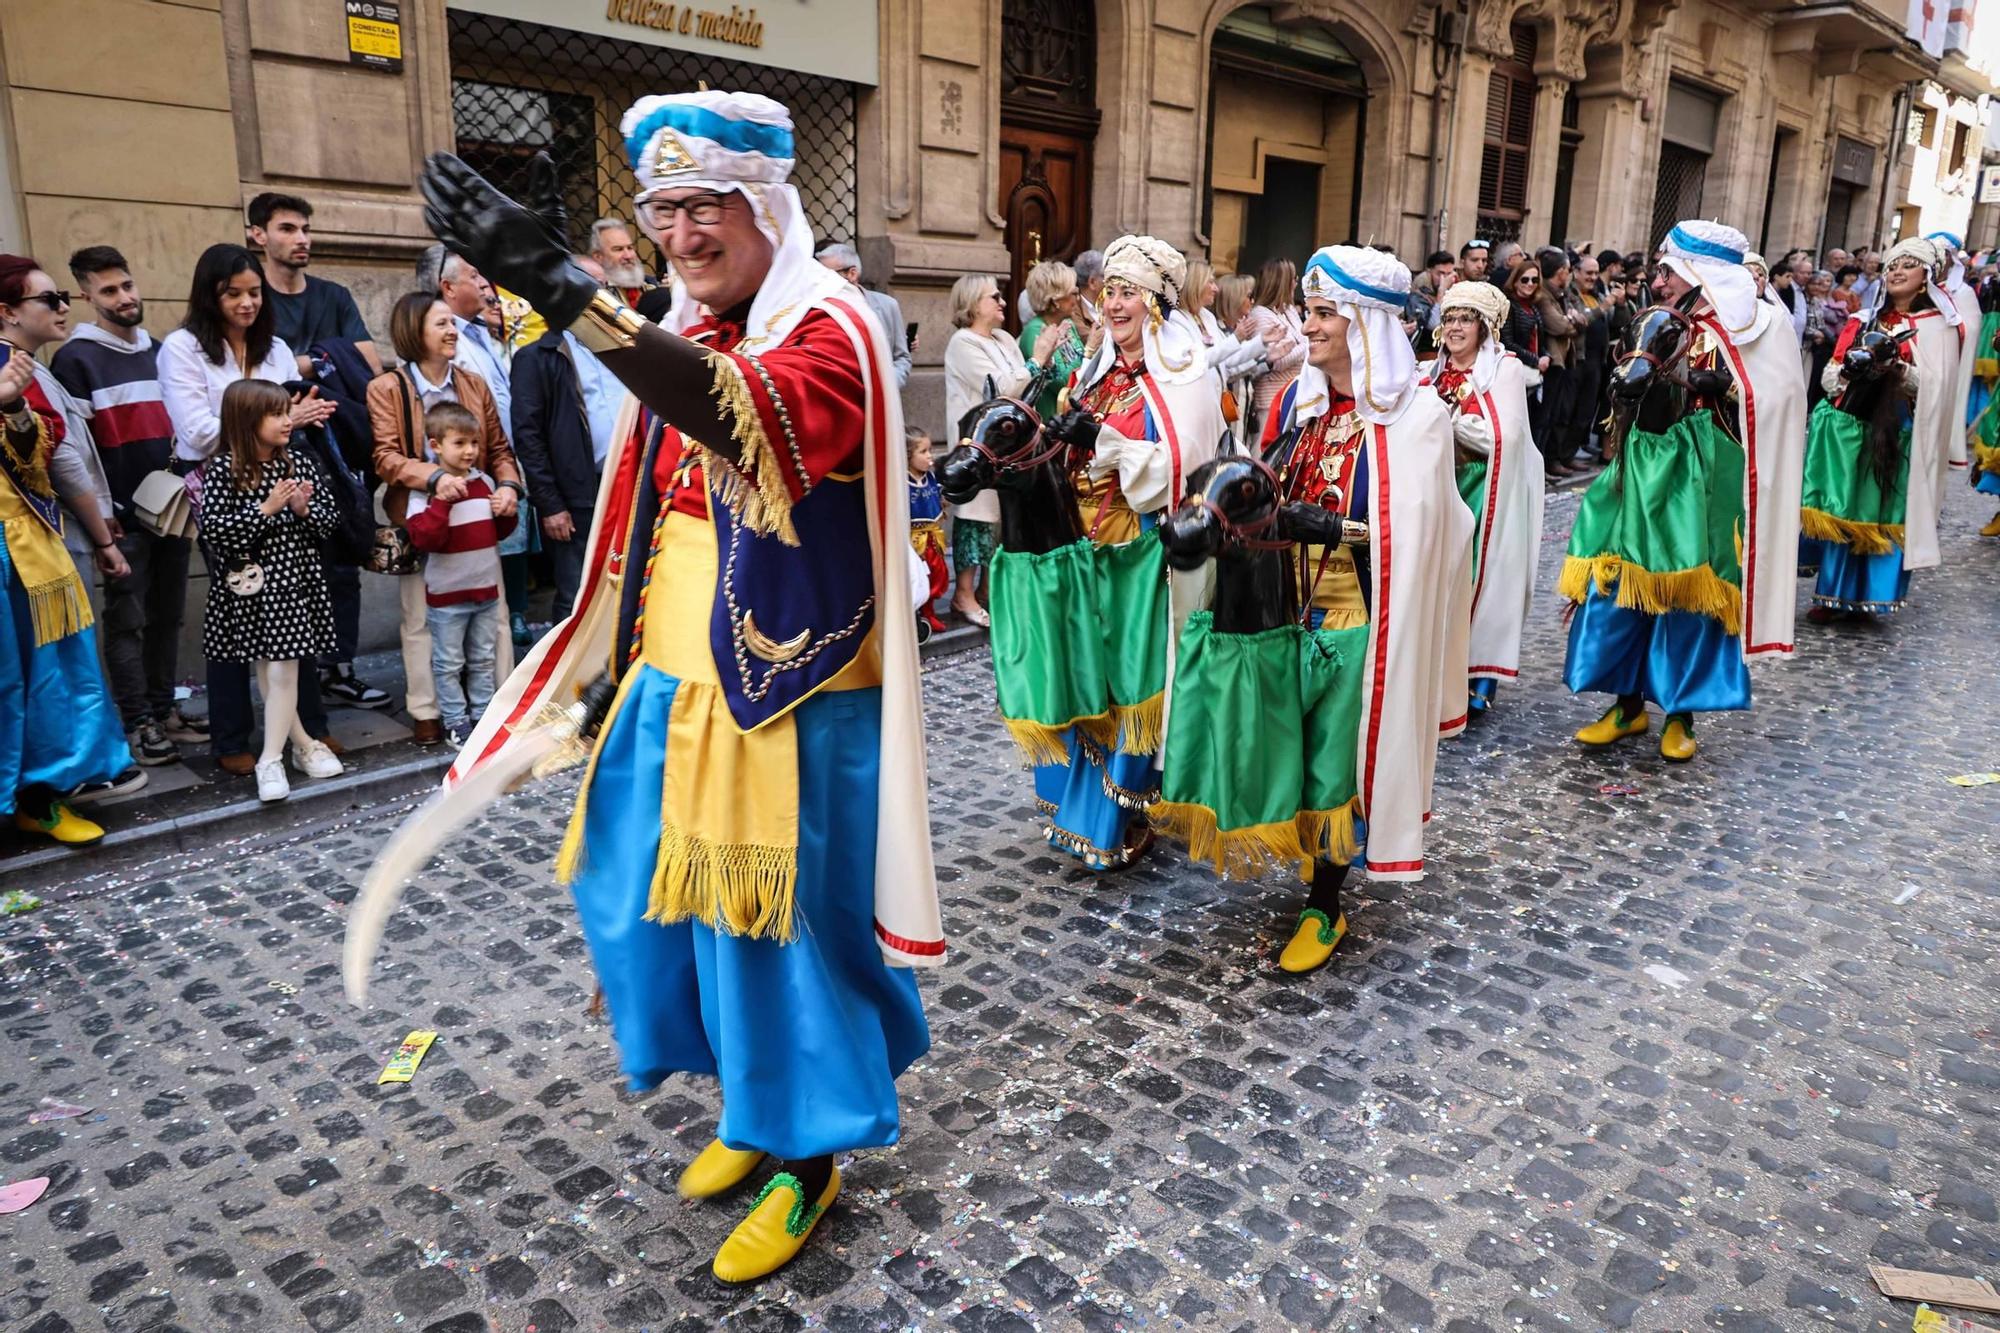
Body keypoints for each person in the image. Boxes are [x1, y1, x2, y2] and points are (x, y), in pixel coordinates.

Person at [419, 86, 941, 1284]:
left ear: (765, 205)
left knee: (775, 927)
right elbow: (644, 494)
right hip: (670, 665)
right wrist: (602, 661)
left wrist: (566, 294)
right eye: (660, 208)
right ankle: (753, 1107)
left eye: (703, 206)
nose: (678, 234)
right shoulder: (690, 328)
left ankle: (804, 1155)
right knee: (637, 891)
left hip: (786, 686)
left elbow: (749, 411)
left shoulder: (834, 328)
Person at [1257, 245, 1471, 970]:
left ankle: (1325, 900)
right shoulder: (1300, 403)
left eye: (1323, 314)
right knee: (1293, 749)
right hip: (1292, 607)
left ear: (1364, 325)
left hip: (1359, 620)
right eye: (1309, 312)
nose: (1308, 327)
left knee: (1335, 764)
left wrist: (1336, 529)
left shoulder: (1418, 420)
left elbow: (1420, 533)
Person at [1562, 221, 1806, 761]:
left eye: (1669, 270)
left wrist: (1728, 388)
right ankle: (1626, 707)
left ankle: (1680, 713)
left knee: (1688, 593)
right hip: (1644, 464)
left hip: (1706, 479)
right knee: (1621, 585)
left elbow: (1776, 397)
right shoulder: (1659, 319)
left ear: (1700, 272)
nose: (1660, 279)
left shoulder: (1757, 327)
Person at [1018, 234, 1222, 871]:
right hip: (1086, 553)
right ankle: (1080, 805)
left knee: (1133, 683)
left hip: (1140, 560)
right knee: (1087, 679)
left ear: (1157, 303)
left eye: (1128, 291)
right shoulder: (1094, 372)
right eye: (1108, 291)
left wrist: (1102, 437)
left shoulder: (1186, 378)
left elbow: (1182, 473)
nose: (1114, 303)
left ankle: (1119, 814)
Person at [157, 243, 341, 775]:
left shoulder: (276, 347)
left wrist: (290, 420)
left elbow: (289, 417)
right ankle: (233, 736)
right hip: (225, 486)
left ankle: (308, 734)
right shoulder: (182, 348)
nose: (246, 303)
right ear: (209, 296)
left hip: (285, 480)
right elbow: (193, 432)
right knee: (238, 612)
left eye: (254, 292)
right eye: (233, 293)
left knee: (294, 612)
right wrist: (266, 419)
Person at [0, 271, 137, 846]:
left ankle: (36, 799)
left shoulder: (28, 371)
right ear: (8, 309)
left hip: (28, 551)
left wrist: (14, 410)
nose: (61, 306)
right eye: (50, 298)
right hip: (14, 558)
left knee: (46, 680)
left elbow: (44, 466)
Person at [51, 246, 201, 766]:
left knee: (167, 616)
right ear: (87, 295)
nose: (124, 298)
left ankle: (165, 711)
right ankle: (138, 722)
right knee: (128, 620)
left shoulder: (162, 350)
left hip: (174, 508)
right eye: (109, 291)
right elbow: (78, 450)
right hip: (121, 517)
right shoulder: (74, 358)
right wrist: (102, 517)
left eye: (128, 285)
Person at [367, 290, 525, 744]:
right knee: (420, 617)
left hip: (476, 515)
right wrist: (434, 478)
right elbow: (385, 457)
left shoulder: (472, 384)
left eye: (452, 323)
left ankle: (496, 702)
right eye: (441, 324)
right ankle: (427, 711)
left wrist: (510, 487)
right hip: (425, 516)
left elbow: (497, 449)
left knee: (491, 613)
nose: (453, 330)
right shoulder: (388, 388)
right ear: (413, 331)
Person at [194, 378, 343, 803]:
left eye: (286, 412)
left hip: (294, 582)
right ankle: (302, 746)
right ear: (246, 420)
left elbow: (329, 522)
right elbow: (217, 534)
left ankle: (270, 758)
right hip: (250, 588)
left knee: (282, 671)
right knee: (270, 668)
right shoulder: (222, 469)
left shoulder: (299, 462)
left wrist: (302, 508)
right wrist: (266, 510)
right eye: (275, 414)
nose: (287, 421)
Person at [1801, 236, 1955, 619]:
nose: (1897, 272)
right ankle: (1830, 593)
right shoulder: (1862, 320)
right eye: (1892, 265)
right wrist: (1852, 369)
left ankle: (1873, 593)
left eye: (1908, 265)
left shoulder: (1939, 328)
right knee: (1845, 503)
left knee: (1883, 507)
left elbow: (1939, 387)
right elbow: (1831, 378)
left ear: (1927, 277)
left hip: (1901, 433)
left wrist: (1899, 369)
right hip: (1854, 429)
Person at [1421, 280, 1542, 715]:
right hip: (1440, 489)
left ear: (1484, 327)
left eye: (1465, 320)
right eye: (1449, 318)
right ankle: (1437, 672)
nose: (1454, 328)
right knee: (1441, 581)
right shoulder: (1430, 373)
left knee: (1478, 579)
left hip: (1480, 488)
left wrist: (1450, 421)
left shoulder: (1503, 370)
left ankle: (1478, 676)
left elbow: (1503, 436)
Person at [510, 257, 623, 624]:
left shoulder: (624, 347)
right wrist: (551, 504)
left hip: (628, 486)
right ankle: (567, 678)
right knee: (577, 597)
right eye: (594, 286)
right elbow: (529, 437)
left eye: (606, 287)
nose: (603, 295)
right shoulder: (538, 357)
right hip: (578, 498)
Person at [944, 273, 1060, 626]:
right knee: (974, 517)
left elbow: (1028, 386)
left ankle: (987, 591)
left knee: (999, 520)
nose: (1003, 303)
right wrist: (1037, 357)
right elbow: (1001, 389)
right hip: (979, 444)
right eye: (994, 297)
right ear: (973, 304)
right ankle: (962, 594)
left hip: (1008, 447)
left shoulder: (1005, 338)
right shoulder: (963, 343)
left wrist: (1046, 357)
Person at [404, 402, 516, 746]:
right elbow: (425, 538)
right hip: (447, 597)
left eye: (474, 443)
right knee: (449, 662)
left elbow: (497, 532)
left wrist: (504, 512)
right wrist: (442, 503)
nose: (470, 451)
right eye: (460, 443)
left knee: (483, 658)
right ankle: (455, 721)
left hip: (484, 591)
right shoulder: (423, 490)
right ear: (435, 445)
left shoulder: (484, 482)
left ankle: (482, 715)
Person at [245, 192, 383, 378]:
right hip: (279, 405)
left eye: (306, 230)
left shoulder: (334, 295)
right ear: (259, 235)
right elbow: (250, 371)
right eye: (287, 229)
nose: (302, 239)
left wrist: (294, 364)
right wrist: (334, 357)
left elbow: (371, 365)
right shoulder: (251, 299)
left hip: (338, 404)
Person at [815, 243, 911, 390]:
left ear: (852, 274)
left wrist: (886, 387)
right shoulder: (819, 309)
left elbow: (901, 357)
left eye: (828, 275)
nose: (821, 281)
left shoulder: (887, 306)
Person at [1237, 258, 1307, 437]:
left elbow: (1300, 345)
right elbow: (1278, 360)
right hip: (1270, 401)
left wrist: (1303, 345)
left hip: (1294, 396)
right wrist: (1309, 344)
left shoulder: (1289, 310)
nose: (1296, 283)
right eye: (1293, 278)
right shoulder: (1261, 315)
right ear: (1282, 282)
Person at [1015, 260, 1089, 419]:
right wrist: (1090, 350)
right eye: (1073, 293)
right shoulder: (1035, 331)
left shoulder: (1067, 323)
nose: (1077, 299)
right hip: (1050, 425)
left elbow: (1082, 368)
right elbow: (1064, 384)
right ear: (1056, 301)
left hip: (1072, 417)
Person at [906, 428, 948, 635]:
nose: (930, 456)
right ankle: (918, 614)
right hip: (914, 540)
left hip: (933, 538)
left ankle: (930, 612)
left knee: (937, 573)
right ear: (907, 456)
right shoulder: (902, 482)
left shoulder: (931, 477)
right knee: (919, 576)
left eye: (930, 450)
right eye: (923, 452)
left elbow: (939, 497)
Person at [590, 217, 655, 306]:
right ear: (598, 257)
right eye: (618, 249)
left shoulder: (651, 284)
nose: (628, 256)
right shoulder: (594, 295)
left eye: (630, 248)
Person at [1407, 250, 1456, 356]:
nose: (1445, 279)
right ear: (1429, 272)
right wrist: (1441, 291)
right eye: (1441, 274)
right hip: (1422, 353)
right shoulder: (1417, 296)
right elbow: (1433, 325)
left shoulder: (1453, 292)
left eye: (1449, 274)